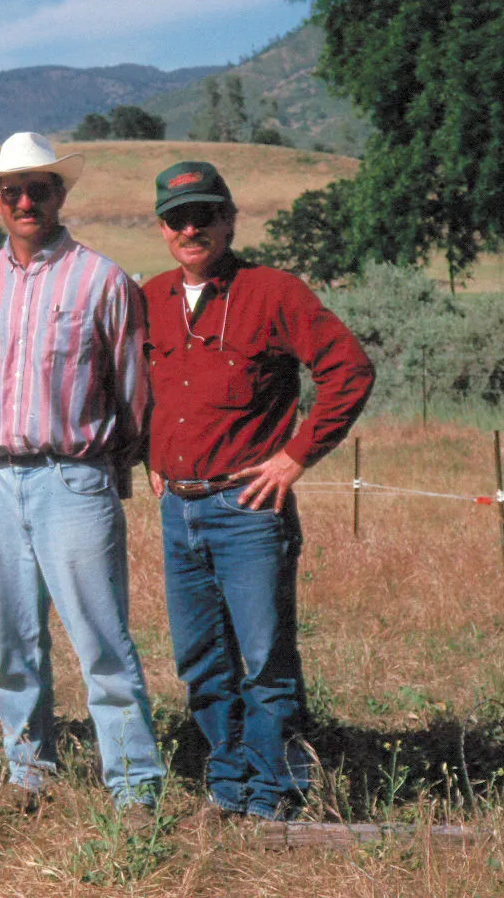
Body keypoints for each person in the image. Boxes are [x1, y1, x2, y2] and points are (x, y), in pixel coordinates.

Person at [143, 160, 374, 822]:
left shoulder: (272, 292)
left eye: (205, 215)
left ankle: (275, 796)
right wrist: (148, 455)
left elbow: (349, 370)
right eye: (177, 218)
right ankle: (228, 787)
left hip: (248, 509)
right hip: (177, 507)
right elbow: (132, 384)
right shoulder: (151, 297)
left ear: (229, 220)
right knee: (201, 661)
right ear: (162, 228)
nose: (191, 228)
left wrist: (295, 457)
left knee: (264, 659)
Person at [0, 133, 166, 826]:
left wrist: (110, 470)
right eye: (11, 190)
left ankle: (135, 787)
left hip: (74, 478)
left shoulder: (102, 280)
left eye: (38, 189)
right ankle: (28, 773)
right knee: (11, 642)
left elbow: (132, 390)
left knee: (101, 640)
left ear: (61, 195)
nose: (25, 200)